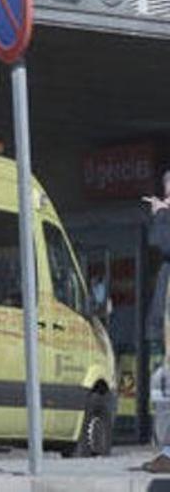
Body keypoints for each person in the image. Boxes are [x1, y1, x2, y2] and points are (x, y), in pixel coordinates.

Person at [142, 170, 170, 473]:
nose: (166, 201)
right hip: (164, 327)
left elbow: (162, 244)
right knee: (163, 395)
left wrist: (162, 217)